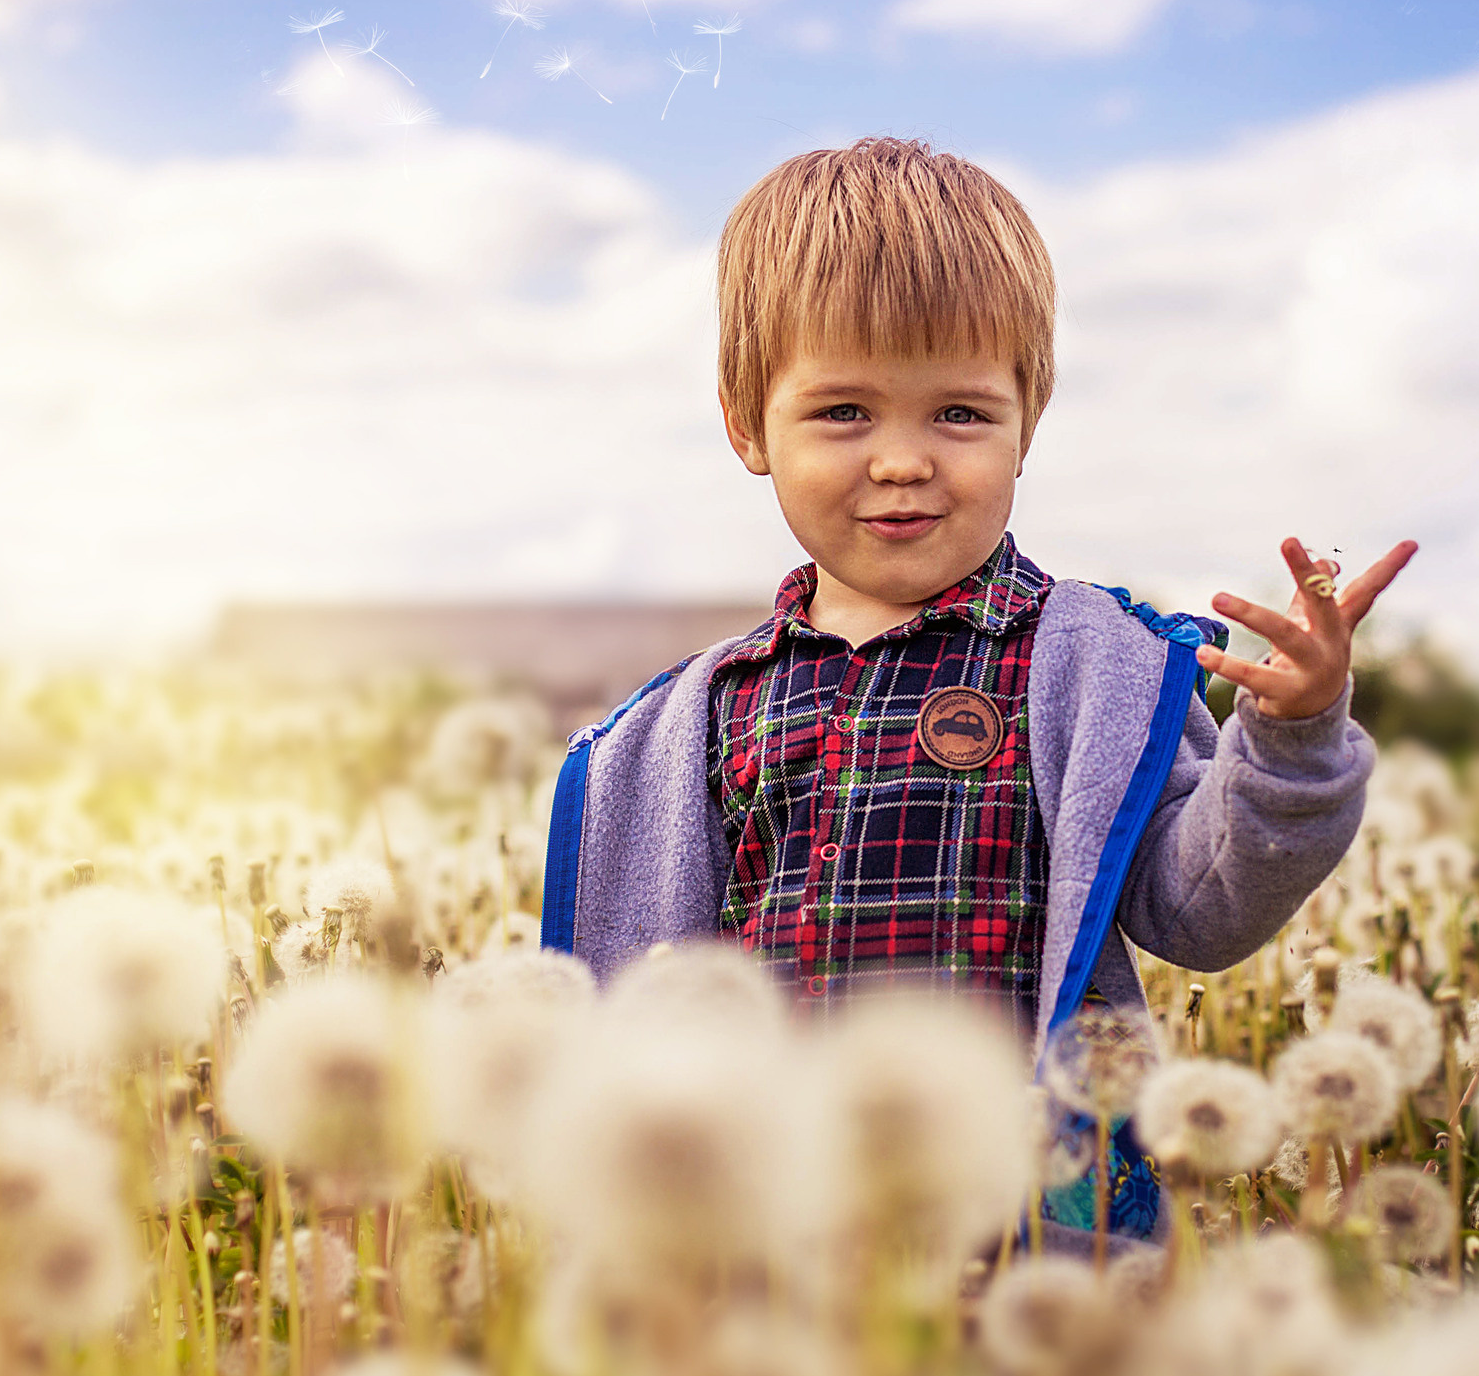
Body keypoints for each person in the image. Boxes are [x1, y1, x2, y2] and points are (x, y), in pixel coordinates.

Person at [541, 137, 1413, 1244]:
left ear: (1026, 422)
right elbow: (655, 990)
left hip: (1027, 1233)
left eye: (958, 413)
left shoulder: (1092, 670)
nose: (903, 460)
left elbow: (1200, 909)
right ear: (746, 424)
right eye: (843, 412)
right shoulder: (703, 716)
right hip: (778, 1235)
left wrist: (1289, 737)